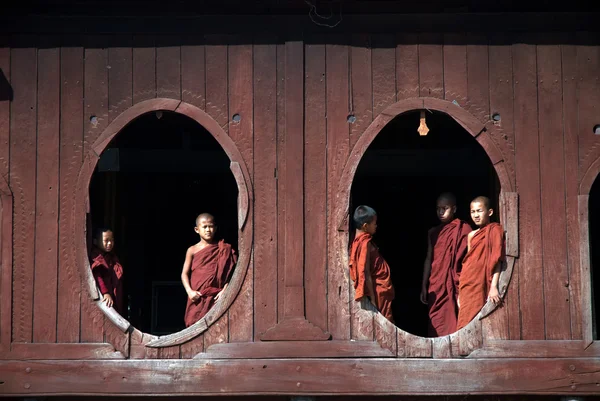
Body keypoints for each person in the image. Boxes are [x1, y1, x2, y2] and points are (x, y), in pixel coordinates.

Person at [420, 192, 471, 337]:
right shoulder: (433, 232)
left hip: (455, 283)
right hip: (436, 284)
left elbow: (469, 260)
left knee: (456, 321)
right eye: (438, 209)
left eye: (445, 208)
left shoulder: (463, 230)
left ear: (454, 209)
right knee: (436, 321)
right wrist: (424, 285)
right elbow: (429, 259)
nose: (441, 212)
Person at [456, 196, 505, 330]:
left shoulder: (495, 230)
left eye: (479, 211)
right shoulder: (471, 235)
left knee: (479, 322)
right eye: (473, 212)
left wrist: (494, 286)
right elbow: (469, 262)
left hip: (482, 282)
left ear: (489, 212)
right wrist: (460, 293)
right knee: (464, 322)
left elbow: (497, 260)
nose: (476, 215)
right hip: (468, 283)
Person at [182, 213, 237, 327]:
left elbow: (231, 273)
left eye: (211, 226)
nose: (208, 230)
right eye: (205, 227)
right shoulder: (192, 250)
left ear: (216, 228)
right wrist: (190, 292)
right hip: (198, 297)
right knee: (193, 325)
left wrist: (225, 291)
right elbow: (184, 274)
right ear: (197, 229)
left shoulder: (224, 248)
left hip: (217, 297)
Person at [349, 205, 395, 323]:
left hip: (380, 287)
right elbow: (365, 271)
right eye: (374, 223)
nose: (376, 226)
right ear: (365, 226)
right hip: (377, 288)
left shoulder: (357, 239)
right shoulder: (365, 243)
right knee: (386, 321)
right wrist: (373, 299)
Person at [90, 227, 125, 315]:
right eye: (106, 240)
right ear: (95, 241)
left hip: (112, 295)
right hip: (104, 297)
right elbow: (97, 276)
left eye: (112, 240)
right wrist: (105, 293)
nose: (109, 243)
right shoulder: (96, 256)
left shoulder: (112, 257)